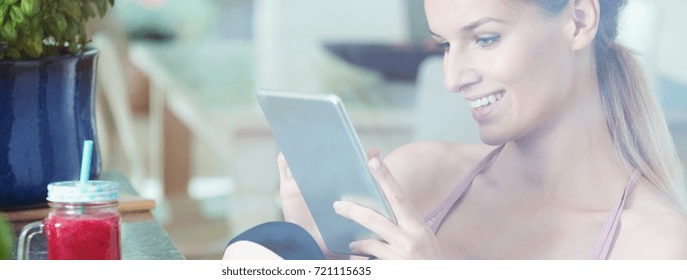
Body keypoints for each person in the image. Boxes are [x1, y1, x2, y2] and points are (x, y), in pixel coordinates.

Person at [223, 0, 687, 260]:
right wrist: (315, 256)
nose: (452, 78)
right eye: (445, 45)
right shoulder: (413, 177)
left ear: (579, 20)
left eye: (485, 38)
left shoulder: (655, 248)